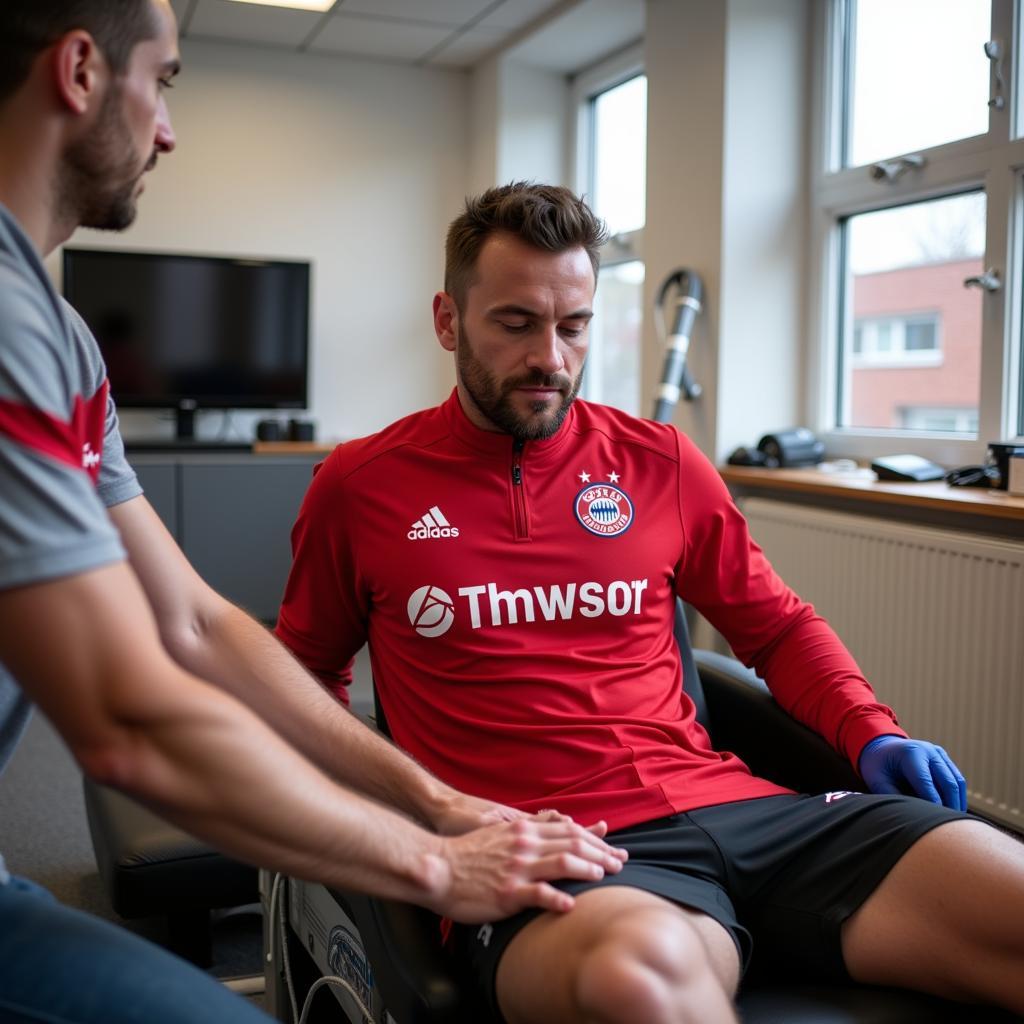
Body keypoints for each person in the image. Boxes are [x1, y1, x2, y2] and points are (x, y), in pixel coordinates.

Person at [0, 7, 627, 1022]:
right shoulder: (8, 323)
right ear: (78, 71)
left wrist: (437, 797)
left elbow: (193, 622)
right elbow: (123, 718)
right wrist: (429, 859)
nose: (167, 129)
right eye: (163, 82)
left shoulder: (60, 335)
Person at [276, 181, 1024, 1024]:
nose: (550, 358)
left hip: (751, 816)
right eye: (516, 323)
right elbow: (303, 677)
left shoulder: (660, 461)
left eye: (573, 325)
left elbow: (776, 628)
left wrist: (871, 729)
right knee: (645, 980)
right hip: (559, 851)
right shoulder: (362, 486)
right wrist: (404, 831)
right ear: (449, 321)